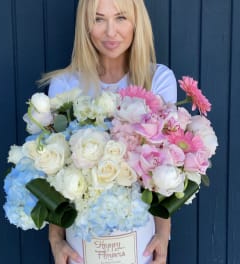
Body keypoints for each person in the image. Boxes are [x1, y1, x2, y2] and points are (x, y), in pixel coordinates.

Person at [42, 0, 176, 263]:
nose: (111, 32)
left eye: (121, 18)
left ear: (137, 21)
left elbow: (165, 166)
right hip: (82, 242)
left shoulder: (158, 80)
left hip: (139, 240)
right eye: (99, 19)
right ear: (86, 25)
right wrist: (55, 239)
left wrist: (163, 234)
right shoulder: (64, 85)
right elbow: (52, 168)